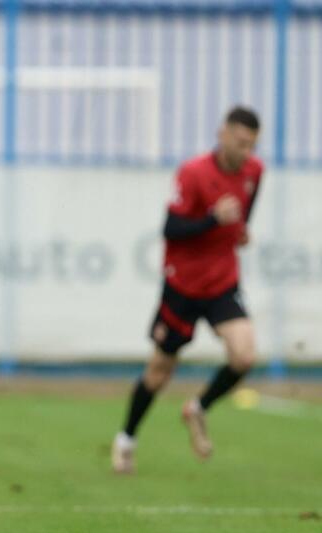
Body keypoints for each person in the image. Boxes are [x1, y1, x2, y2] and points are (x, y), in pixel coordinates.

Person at [111, 106, 263, 474]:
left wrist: (241, 229)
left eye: (251, 145)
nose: (246, 152)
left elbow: (246, 207)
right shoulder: (193, 173)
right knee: (160, 370)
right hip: (182, 284)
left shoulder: (254, 172)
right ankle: (126, 439)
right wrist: (214, 219)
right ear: (222, 133)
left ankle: (198, 408)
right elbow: (171, 229)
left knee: (244, 356)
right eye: (240, 142)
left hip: (223, 282)